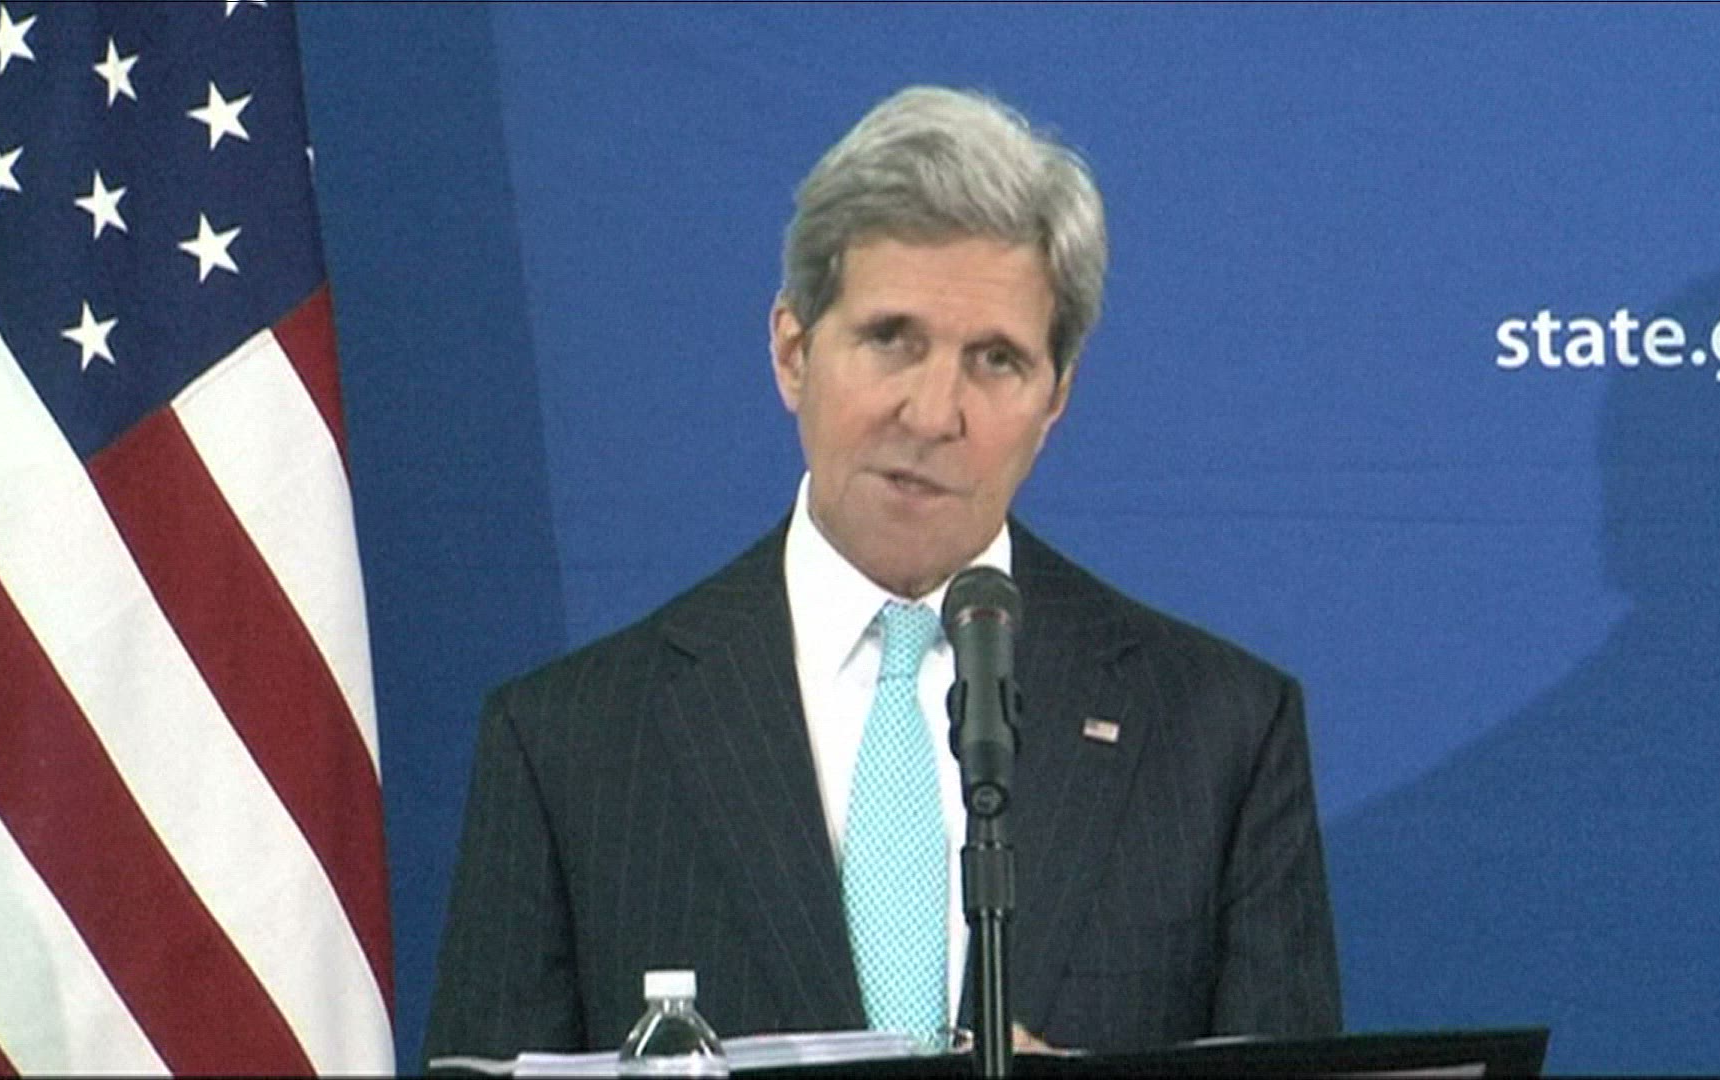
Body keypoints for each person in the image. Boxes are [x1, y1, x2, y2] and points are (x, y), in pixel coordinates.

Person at [422, 86, 1340, 1065]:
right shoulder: (573, 744)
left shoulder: (1218, 734)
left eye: (996, 359)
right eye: (892, 339)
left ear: (1056, 400)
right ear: (792, 352)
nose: (934, 412)